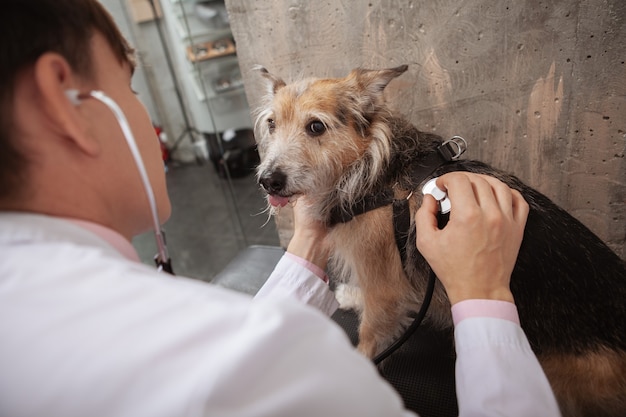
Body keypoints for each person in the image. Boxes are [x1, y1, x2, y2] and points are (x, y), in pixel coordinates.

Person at [0, 1, 561, 416]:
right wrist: (485, 298)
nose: (149, 120)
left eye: (314, 129)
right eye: (132, 87)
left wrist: (308, 243)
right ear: (62, 101)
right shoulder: (281, 365)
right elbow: (247, 354)